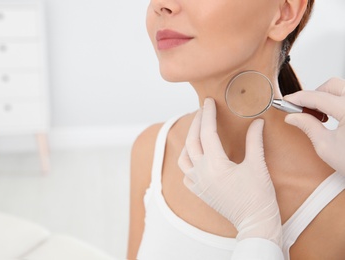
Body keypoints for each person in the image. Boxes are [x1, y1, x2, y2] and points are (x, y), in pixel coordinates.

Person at [127, 0, 345, 259]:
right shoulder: (154, 151)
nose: (162, 5)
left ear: (283, 13)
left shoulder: (337, 199)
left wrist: (258, 233)